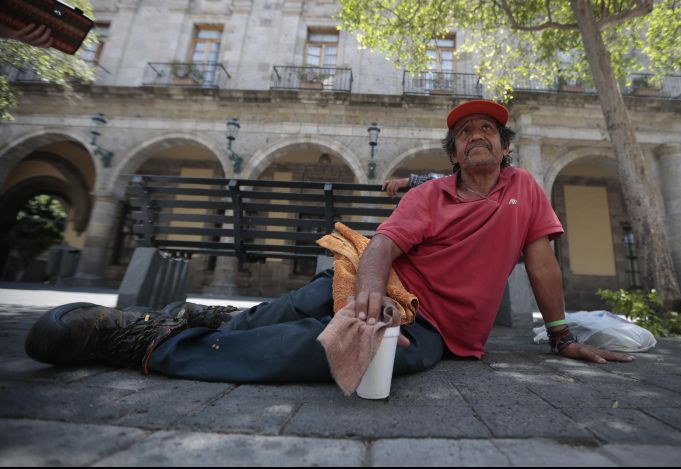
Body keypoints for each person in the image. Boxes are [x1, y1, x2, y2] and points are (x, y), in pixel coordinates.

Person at [24, 99, 633, 385]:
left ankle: (152, 345)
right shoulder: (429, 194)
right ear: (452, 154)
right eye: (465, 133)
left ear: (504, 148)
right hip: (376, 285)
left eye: (488, 132)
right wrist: (368, 294)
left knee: (324, 349)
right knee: (292, 310)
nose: (477, 137)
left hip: (434, 329)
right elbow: (384, 246)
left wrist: (561, 338)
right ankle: (142, 328)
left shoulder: (525, 189)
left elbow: (544, 265)